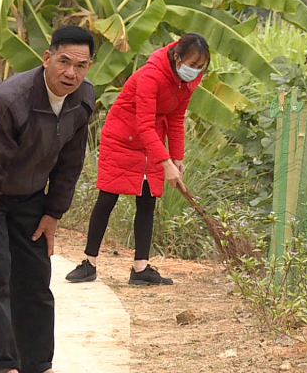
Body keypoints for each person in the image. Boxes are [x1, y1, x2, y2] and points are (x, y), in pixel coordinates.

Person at [0, 25, 96, 373]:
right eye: (63, 61)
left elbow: (70, 162)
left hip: (30, 192)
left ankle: (36, 365)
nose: (70, 73)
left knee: (35, 275)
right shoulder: (10, 100)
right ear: (47, 58)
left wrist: (53, 213)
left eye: (80, 66)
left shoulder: (82, 101)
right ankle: (5, 367)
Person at [65, 33, 210, 286]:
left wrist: (176, 158)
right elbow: (143, 124)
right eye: (192, 65)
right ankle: (89, 263)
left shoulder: (187, 81)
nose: (195, 71)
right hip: (122, 136)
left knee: (147, 201)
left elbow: (176, 118)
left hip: (151, 140)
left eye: (200, 68)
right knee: (108, 197)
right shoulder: (150, 75)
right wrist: (164, 162)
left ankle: (140, 269)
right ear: (177, 57)